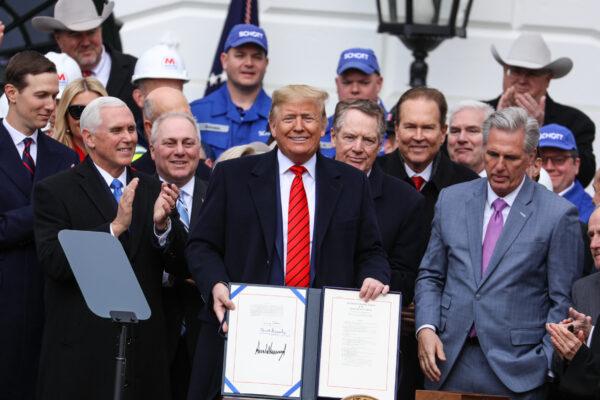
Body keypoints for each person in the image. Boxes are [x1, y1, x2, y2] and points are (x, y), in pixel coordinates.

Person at [185, 84, 391, 399]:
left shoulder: (350, 183)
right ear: (272, 125)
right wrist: (215, 284)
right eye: (289, 118)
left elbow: (371, 251)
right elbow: (201, 245)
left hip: (319, 340)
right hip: (243, 333)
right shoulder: (232, 176)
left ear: (324, 126)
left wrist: (374, 275)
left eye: (308, 118)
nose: (298, 127)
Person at [415, 107, 583, 399]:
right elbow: (430, 274)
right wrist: (426, 328)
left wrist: (545, 362)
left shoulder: (559, 215)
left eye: (512, 157)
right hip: (446, 362)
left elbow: (562, 300)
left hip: (519, 373)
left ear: (533, 161)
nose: (499, 165)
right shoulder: (452, 200)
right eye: (493, 154)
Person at [33, 96, 187, 400]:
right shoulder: (55, 191)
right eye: (117, 130)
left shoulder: (155, 188)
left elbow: (184, 266)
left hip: (144, 359)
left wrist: (163, 228)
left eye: (131, 129)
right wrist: (114, 228)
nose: (129, 138)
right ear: (88, 138)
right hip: (82, 358)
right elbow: (54, 264)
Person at [0, 50, 78, 400]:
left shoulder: (63, 157)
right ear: (12, 93)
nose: (51, 105)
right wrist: (45, 210)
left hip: (51, 307)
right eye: (42, 95)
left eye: (55, 97)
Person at [149, 111, 207, 400]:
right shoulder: (133, 196)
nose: (180, 151)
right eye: (170, 143)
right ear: (152, 149)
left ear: (199, 148)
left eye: (188, 142)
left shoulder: (221, 196)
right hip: (151, 341)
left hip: (205, 339)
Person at [486, 32, 596, 186]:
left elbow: (583, 175)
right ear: (505, 72)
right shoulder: (477, 114)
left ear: (548, 78)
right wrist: (493, 125)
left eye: (532, 73)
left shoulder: (575, 122)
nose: (522, 80)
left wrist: (540, 132)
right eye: (516, 71)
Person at [377, 87, 479, 228]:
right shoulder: (372, 176)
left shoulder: (469, 185)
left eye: (427, 128)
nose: (418, 137)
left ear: (443, 133)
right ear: (397, 130)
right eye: (410, 127)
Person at [32, 0, 139, 124]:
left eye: (91, 32)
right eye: (76, 35)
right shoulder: (44, 77)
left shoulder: (135, 70)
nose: (86, 42)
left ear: (101, 30)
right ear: (58, 38)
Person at [190, 23, 271, 160]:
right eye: (240, 55)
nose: (249, 63)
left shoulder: (281, 116)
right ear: (224, 60)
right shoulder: (195, 113)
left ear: (266, 63)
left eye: (257, 57)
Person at [547, 206, 600, 400]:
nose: (594, 244)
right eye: (591, 235)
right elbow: (561, 372)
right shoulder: (583, 289)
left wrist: (591, 335)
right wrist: (568, 345)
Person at [132, 87, 211, 180]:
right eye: (171, 118)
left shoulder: (213, 180)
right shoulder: (132, 179)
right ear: (149, 128)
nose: (180, 151)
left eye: (187, 117)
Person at [321, 48, 385, 158]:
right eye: (347, 82)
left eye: (364, 82)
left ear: (379, 84)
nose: (355, 89)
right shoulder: (320, 130)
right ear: (337, 84)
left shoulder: (397, 130)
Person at [131, 41, 189, 148]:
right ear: (139, 97)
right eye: (160, 91)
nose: (169, 99)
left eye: (175, 92)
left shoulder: (198, 149)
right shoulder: (126, 146)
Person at [538, 123, 595, 223]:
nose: (549, 167)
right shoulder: (514, 201)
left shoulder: (592, 214)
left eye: (559, 160)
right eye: (541, 159)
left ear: (576, 165)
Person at [53, 77, 108, 161]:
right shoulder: (52, 157)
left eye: (94, 109)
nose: (86, 117)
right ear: (65, 116)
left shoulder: (120, 152)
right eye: (78, 110)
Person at [446, 100, 494, 177]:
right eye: (455, 131)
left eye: (472, 131)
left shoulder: (504, 185)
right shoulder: (433, 182)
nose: (461, 139)